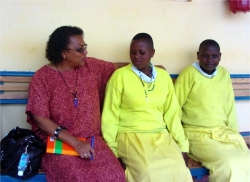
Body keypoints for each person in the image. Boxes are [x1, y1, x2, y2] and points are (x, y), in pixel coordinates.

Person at [26, 26, 126, 182]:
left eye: (85, 47)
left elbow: (117, 66)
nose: (85, 53)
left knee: (116, 175)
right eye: (80, 50)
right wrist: (75, 143)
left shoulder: (91, 67)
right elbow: (40, 119)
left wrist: (148, 67)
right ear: (63, 52)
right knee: (77, 177)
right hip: (59, 142)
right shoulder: (43, 78)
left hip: (93, 140)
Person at [101, 33, 193, 182]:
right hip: (130, 135)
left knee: (181, 172)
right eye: (133, 52)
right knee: (149, 174)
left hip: (161, 136)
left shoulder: (163, 77)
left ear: (152, 53)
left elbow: (172, 114)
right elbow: (110, 116)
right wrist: (113, 151)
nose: (136, 56)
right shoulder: (120, 76)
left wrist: (183, 146)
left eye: (142, 52)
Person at [174, 39, 250, 182]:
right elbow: (174, 107)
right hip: (197, 134)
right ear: (198, 55)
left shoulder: (224, 74)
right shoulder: (189, 74)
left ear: (220, 56)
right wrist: (179, 140)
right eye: (205, 55)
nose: (209, 59)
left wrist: (236, 135)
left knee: (247, 160)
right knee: (228, 165)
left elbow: (230, 107)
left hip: (224, 132)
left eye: (214, 56)